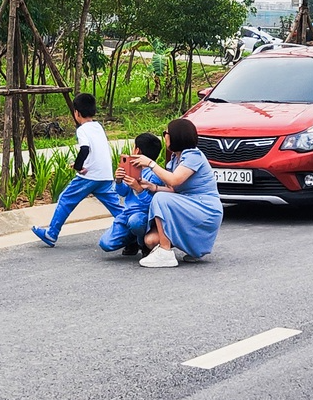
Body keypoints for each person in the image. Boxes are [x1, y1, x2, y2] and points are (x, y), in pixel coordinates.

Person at [129, 117, 223, 268]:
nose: (164, 135)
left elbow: (174, 181)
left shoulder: (193, 155)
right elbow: (173, 189)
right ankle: (190, 247)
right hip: (190, 205)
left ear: (176, 136)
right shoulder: (175, 158)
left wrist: (151, 164)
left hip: (205, 208)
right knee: (150, 240)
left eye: (166, 132)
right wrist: (152, 187)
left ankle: (165, 252)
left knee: (161, 199)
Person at [32, 92, 120, 247]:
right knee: (116, 207)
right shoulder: (99, 127)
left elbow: (85, 149)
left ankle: (51, 234)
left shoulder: (82, 130)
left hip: (90, 176)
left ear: (76, 113)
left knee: (66, 199)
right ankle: (134, 231)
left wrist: (78, 167)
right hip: (105, 175)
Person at [98, 131, 164, 255]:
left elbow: (153, 203)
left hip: (144, 215)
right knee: (105, 243)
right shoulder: (132, 168)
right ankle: (132, 239)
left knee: (136, 222)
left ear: (137, 151)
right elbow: (123, 193)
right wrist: (118, 181)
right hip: (127, 214)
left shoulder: (154, 175)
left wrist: (139, 189)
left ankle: (143, 244)